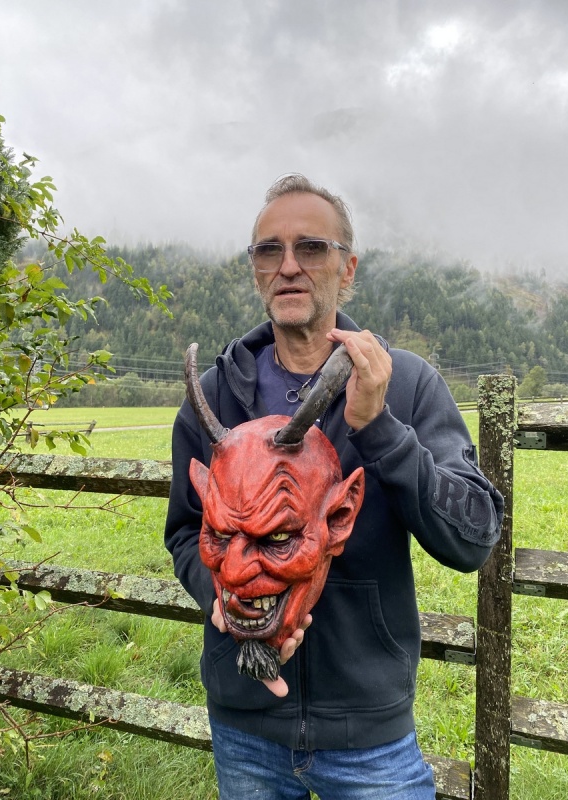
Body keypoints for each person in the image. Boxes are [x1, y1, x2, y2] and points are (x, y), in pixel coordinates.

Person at [164, 174, 504, 799]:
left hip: (369, 736)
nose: (289, 265)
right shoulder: (213, 397)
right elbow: (187, 529)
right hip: (244, 725)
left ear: (348, 269)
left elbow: (473, 538)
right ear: (256, 269)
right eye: (269, 250)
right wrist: (222, 595)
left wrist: (381, 429)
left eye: (311, 247)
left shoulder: (406, 384)